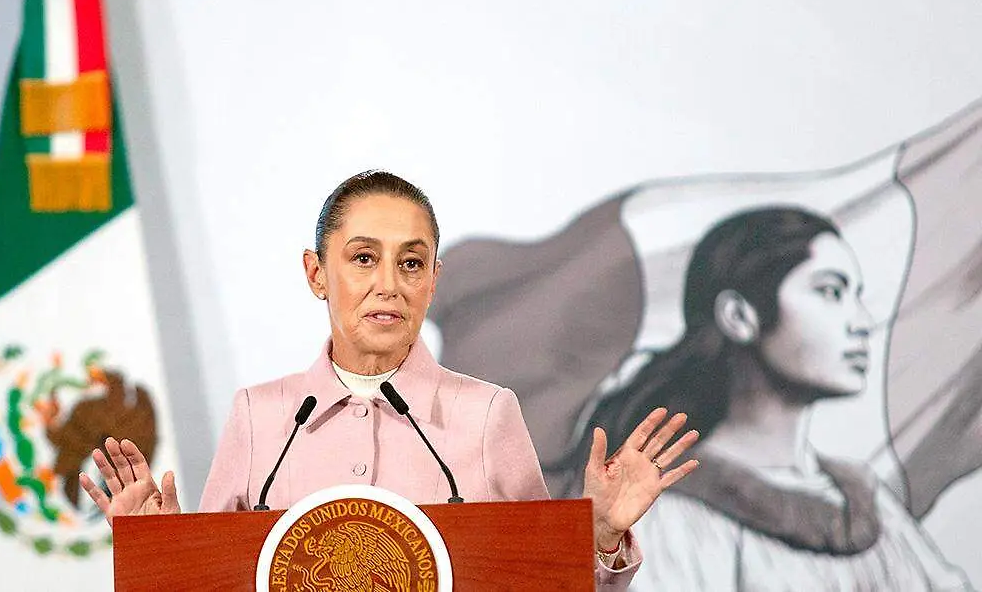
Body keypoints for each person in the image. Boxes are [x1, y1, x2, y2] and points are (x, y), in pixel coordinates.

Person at [80, 170, 700, 588]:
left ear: (433, 278)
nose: (389, 284)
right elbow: (218, 585)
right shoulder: (258, 415)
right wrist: (158, 552)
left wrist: (598, 537)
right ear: (316, 273)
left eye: (411, 262)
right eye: (363, 257)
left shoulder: (487, 413)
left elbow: (535, 582)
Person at [581, 207, 972, 591]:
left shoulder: (867, 501)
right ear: (739, 316)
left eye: (856, 295)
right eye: (830, 291)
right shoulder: (672, 511)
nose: (862, 322)